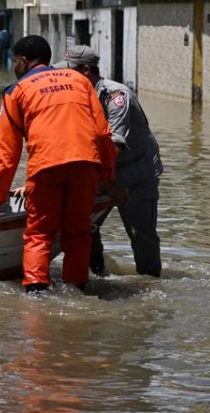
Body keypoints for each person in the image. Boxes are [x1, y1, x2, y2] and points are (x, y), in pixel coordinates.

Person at [0, 35, 116, 293]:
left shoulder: (15, 92)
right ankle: (76, 290)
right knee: (78, 233)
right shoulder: (79, 81)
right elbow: (102, 134)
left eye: (13, 61)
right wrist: (108, 177)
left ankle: (36, 293)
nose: (13, 67)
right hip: (86, 164)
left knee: (39, 234)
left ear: (22, 61)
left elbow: (8, 155)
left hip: (46, 166)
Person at [55, 45, 164, 277]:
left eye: (69, 71)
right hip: (101, 173)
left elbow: (114, 146)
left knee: (141, 234)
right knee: (85, 226)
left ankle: (150, 284)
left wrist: (106, 181)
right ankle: (99, 275)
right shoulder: (76, 97)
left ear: (86, 70)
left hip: (135, 173)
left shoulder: (116, 96)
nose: (64, 77)